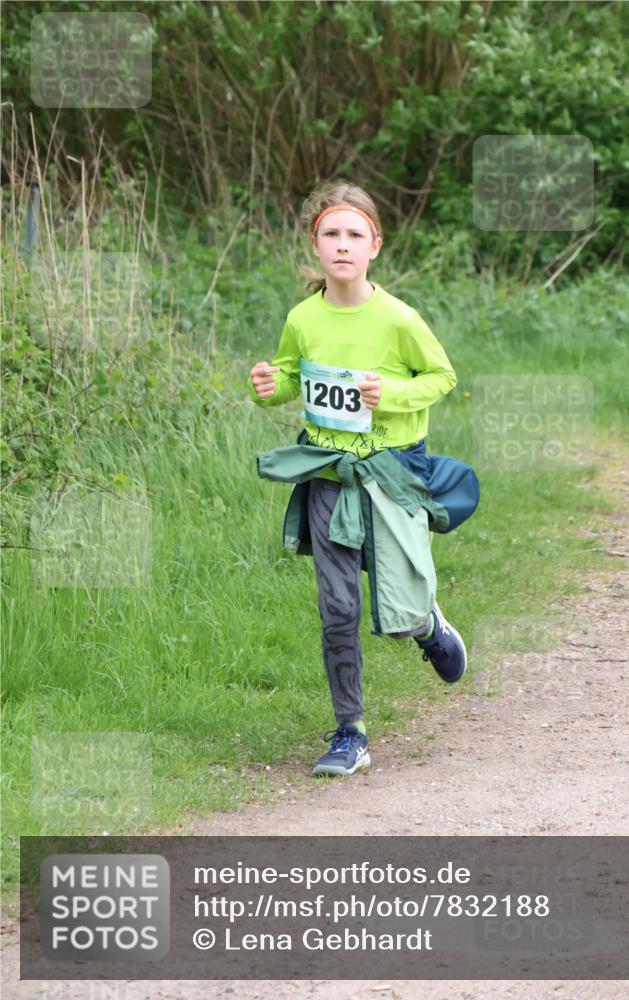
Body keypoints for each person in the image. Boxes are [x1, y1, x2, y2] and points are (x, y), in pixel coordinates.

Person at [247, 181, 479, 778]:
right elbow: (294, 373)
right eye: (332, 234)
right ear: (315, 244)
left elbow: (442, 376)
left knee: (400, 611)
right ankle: (350, 731)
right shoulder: (303, 317)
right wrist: (272, 385)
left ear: (375, 245)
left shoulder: (398, 319)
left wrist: (390, 393)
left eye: (355, 234)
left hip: (390, 475)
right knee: (338, 606)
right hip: (329, 473)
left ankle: (427, 624)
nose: (343, 245)